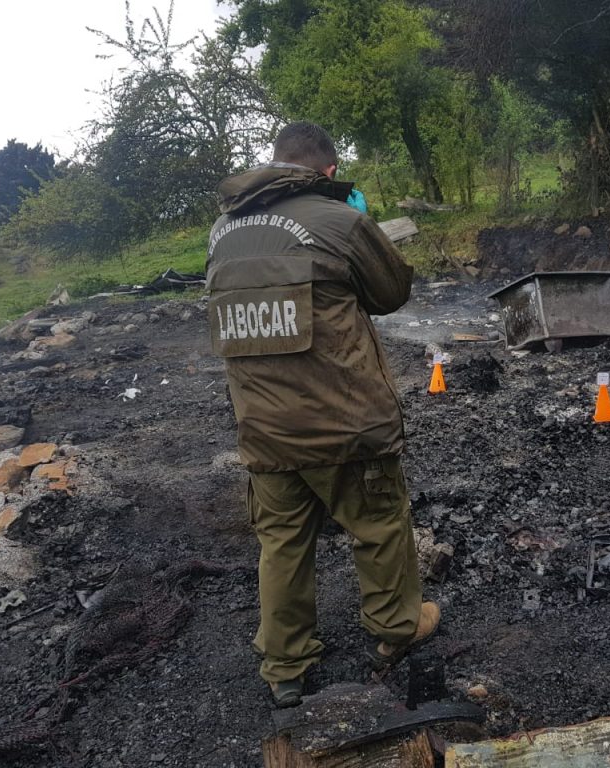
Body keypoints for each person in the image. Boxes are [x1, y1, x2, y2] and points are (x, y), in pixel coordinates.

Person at [206, 122, 440, 708]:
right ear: (328, 171)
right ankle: (394, 632)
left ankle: (285, 666)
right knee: (380, 525)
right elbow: (391, 294)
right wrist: (362, 223)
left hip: (263, 429)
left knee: (281, 543)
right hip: (346, 425)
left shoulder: (222, 231)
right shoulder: (341, 221)